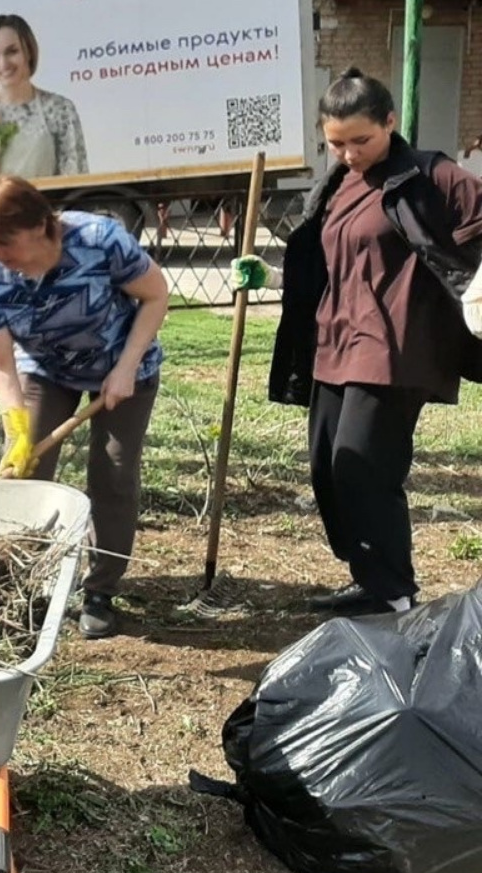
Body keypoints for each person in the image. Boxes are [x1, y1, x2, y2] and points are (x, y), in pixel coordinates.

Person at [232, 68, 482, 618]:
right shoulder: (338, 182)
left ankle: (393, 593)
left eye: (361, 140)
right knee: (326, 467)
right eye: (336, 143)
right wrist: (273, 278)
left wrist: (476, 294)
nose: (348, 153)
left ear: (390, 122)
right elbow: (332, 260)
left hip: (397, 347)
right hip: (334, 341)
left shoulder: (432, 175)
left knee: (363, 466)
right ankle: (370, 576)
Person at [0, 176, 169, 638]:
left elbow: (156, 296)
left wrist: (125, 368)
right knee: (25, 470)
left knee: (113, 473)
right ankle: (23, 580)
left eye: (4, 241)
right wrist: (17, 428)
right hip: (45, 370)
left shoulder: (99, 240)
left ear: (40, 225)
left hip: (122, 365)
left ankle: (99, 590)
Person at [0, 14, 86, 179]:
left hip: (50, 205)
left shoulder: (60, 109)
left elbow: (76, 179)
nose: (3, 64)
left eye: (12, 52)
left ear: (29, 52)